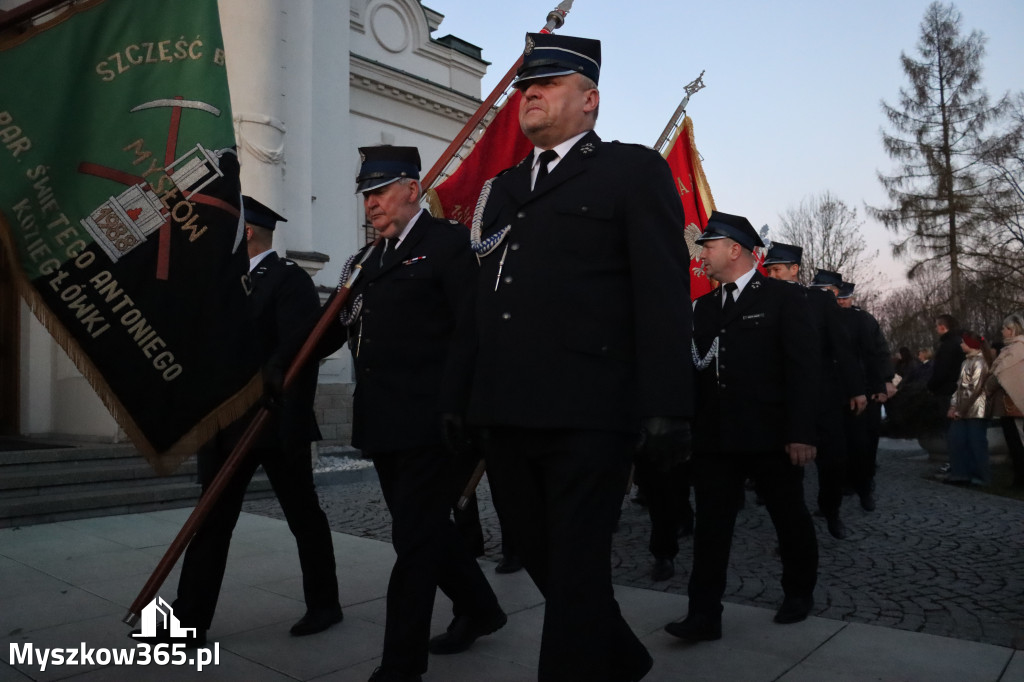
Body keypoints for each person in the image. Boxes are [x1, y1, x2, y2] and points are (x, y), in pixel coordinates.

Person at [444, 32, 693, 682]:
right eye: (528, 86)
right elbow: (483, 300)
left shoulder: (632, 172)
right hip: (504, 413)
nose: (531, 94)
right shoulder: (500, 191)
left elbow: (662, 295)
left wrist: (668, 406)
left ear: (590, 100)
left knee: (578, 567)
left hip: (590, 413)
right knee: (540, 555)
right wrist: (460, 397)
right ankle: (623, 654)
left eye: (548, 85)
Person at [317, 146, 506, 682]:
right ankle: (482, 608)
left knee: (415, 544)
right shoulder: (365, 261)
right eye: (366, 195)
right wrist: (283, 363)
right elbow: (332, 325)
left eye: (379, 191)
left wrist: (458, 404)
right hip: (383, 422)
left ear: (412, 189)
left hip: (434, 423)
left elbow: (472, 331)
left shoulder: (446, 246)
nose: (370, 204)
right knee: (419, 530)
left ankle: (401, 666)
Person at [169, 196, 342, 645]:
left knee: (303, 516)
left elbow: (298, 353)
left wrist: (279, 405)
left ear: (246, 232)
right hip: (224, 426)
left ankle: (325, 604)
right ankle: (188, 623)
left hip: (273, 424)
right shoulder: (223, 281)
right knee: (211, 520)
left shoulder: (288, 280)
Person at [665, 213, 819, 642]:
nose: (702, 256)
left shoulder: (784, 298)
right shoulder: (704, 307)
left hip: (772, 435)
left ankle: (798, 592)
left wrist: (802, 431)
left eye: (708, 246)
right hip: (716, 437)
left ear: (735, 249)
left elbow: (804, 369)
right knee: (712, 526)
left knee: (789, 516)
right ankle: (703, 614)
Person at [763, 243, 866, 540]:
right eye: (768, 270)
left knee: (833, 460)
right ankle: (790, 532)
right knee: (785, 468)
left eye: (777, 270)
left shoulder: (819, 302)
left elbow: (842, 347)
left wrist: (856, 389)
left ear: (795, 269)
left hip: (823, 394)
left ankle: (831, 510)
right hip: (783, 396)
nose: (771, 275)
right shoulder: (763, 300)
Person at [831, 278, 894, 511]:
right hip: (840, 388)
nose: (843, 302)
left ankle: (865, 484)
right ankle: (845, 483)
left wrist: (882, 383)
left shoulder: (865, 320)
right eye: (839, 298)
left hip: (866, 388)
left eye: (845, 298)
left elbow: (877, 352)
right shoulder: (828, 319)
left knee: (865, 441)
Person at [943, 330, 995, 486]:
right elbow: (959, 387)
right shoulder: (966, 362)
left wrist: (959, 410)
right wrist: (953, 405)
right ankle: (960, 473)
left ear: (971, 344)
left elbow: (975, 389)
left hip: (976, 409)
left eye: (963, 342)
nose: (961, 344)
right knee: (957, 439)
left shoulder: (980, 362)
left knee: (975, 442)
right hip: (962, 408)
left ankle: (980, 476)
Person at [987, 313, 1024, 488]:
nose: (1002, 331)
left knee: (1017, 441)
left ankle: (1020, 478)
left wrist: (988, 385)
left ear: (1011, 330)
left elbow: (1000, 373)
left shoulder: (1017, 349)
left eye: (1004, 328)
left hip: (1014, 401)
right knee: (1013, 441)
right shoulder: (1010, 349)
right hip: (1008, 403)